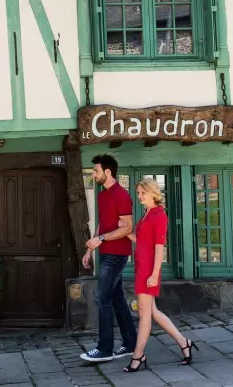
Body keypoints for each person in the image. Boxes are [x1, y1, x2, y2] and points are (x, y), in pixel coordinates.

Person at [119, 178, 197, 372]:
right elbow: (141, 240)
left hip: (149, 270)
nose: (139, 196)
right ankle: (184, 343)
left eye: (142, 193)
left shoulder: (159, 215)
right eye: (138, 193)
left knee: (144, 314)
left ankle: (138, 356)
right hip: (141, 268)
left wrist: (154, 275)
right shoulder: (146, 214)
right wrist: (125, 230)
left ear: (153, 192)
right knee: (152, 312)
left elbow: (159, 249)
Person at [80, 154, 137, 363]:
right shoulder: (103, 196)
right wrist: (91, 248)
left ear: (107, 171)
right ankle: (131, 343)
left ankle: (104, 349)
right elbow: (102, 224)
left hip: (117, 254)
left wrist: (101, 239)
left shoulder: (121, 195)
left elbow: (127, 228)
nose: (94, 175)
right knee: (117, 299)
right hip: (106, 252)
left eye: (96, 171)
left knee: (102, 298)